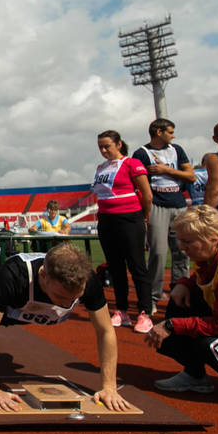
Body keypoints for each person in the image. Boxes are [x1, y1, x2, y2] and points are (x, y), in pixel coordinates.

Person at [0, 242, 130, 412]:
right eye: (61, 297)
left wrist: (109, 388)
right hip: (10, 310)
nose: (67, 304)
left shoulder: (89, 281)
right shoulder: (14, 275)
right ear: (43, 275)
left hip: (44, 316)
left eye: (75, 298)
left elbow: (105, 330)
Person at [144, 205, 218, 393]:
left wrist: (173, 325)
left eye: (187, 242)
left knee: (214, 347)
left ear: (212, 238)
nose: (181, 248)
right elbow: (202, 279)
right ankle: (195, 375)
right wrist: (185, 283)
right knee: (179, 303)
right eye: (180, 241)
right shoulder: (210, 254)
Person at [93, 130, 154, 332]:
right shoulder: (100, 168)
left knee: (137, 265)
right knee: (115, 266)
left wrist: (144, 218)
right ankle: (122, 311)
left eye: (107, 146)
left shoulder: (132, 164)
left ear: (119, 145)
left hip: (130, 218)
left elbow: (147, 194)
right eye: (100, 147)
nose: (103, 150)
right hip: (106, 220)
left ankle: (145, 312)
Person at [132, 118, 195, 312]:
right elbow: (139, 183)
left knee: (183, 252)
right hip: (157, 205)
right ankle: (152, 298)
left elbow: (191, 176)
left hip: (179, 205)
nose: (173, 135)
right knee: (158, 253)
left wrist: (165, 170)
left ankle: (179, 292)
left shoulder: (177, 149)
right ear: (158, 132)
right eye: (170, 132)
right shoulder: (142, 153)